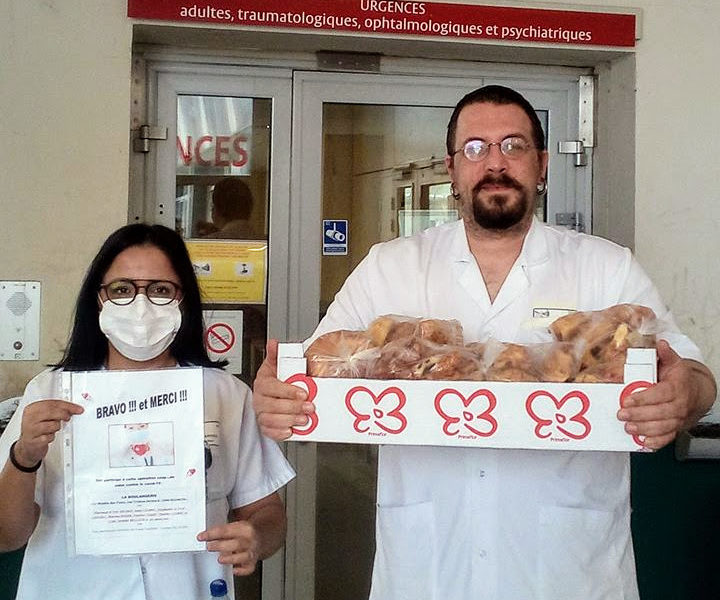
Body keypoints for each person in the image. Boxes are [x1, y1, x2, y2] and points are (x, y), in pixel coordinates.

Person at [252, 85, 717, 599]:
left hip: (570, 567)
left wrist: (682, 395)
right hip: (428, 566)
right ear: (451, 170)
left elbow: (691, 373)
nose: (495, 163)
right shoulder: (391, 266)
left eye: (513, 146)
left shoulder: (606, 267)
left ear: (541, 165)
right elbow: (319, 373)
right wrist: (280, 395)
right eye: (475, 148)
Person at [0, 224, 295, 599]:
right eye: (122, 290)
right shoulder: (50, 392)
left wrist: (256, 539)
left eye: (160, 290)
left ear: (182, 299)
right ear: (98, 299)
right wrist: (24, 456)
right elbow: (7, 536)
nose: (141, 306)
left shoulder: (225, 395)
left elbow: (267, 513)